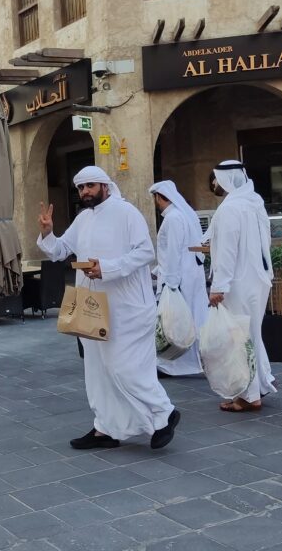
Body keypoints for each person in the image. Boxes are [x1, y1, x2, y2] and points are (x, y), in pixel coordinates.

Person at [37, 165, 180, 451]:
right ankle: (106, 428)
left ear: (104, 185)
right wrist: (48, 233)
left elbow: (145, 252)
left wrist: (107, 268)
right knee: (97, 371)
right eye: (80, 187)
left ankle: (164, 412)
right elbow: (59, 251)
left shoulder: (126, 212)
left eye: (90, 185)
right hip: (92, 308)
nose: (85, 192)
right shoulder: (83, 218)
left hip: (128, 308)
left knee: (123, 368)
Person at [208, 160, 276, 412]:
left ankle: (248, 395)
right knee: (252, 335)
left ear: (226, 179)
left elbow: (227, 251)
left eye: (215, 178)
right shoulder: (254, 202)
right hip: (258, 279)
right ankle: (257, 386)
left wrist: (219, 286)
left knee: (238, 338)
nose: (214, 183)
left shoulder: (230, 209)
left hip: (237, 282)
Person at [149, 181, 208, 377]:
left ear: (159, 197)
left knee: (178, 321)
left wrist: (171, 283)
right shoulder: (182, 215)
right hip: (188, 274)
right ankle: (187, 362)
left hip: (179, 278)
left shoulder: (173, 218)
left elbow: (174, 252)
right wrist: (158, 271)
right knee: (189, 317)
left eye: (155, 198)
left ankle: (177, 364)